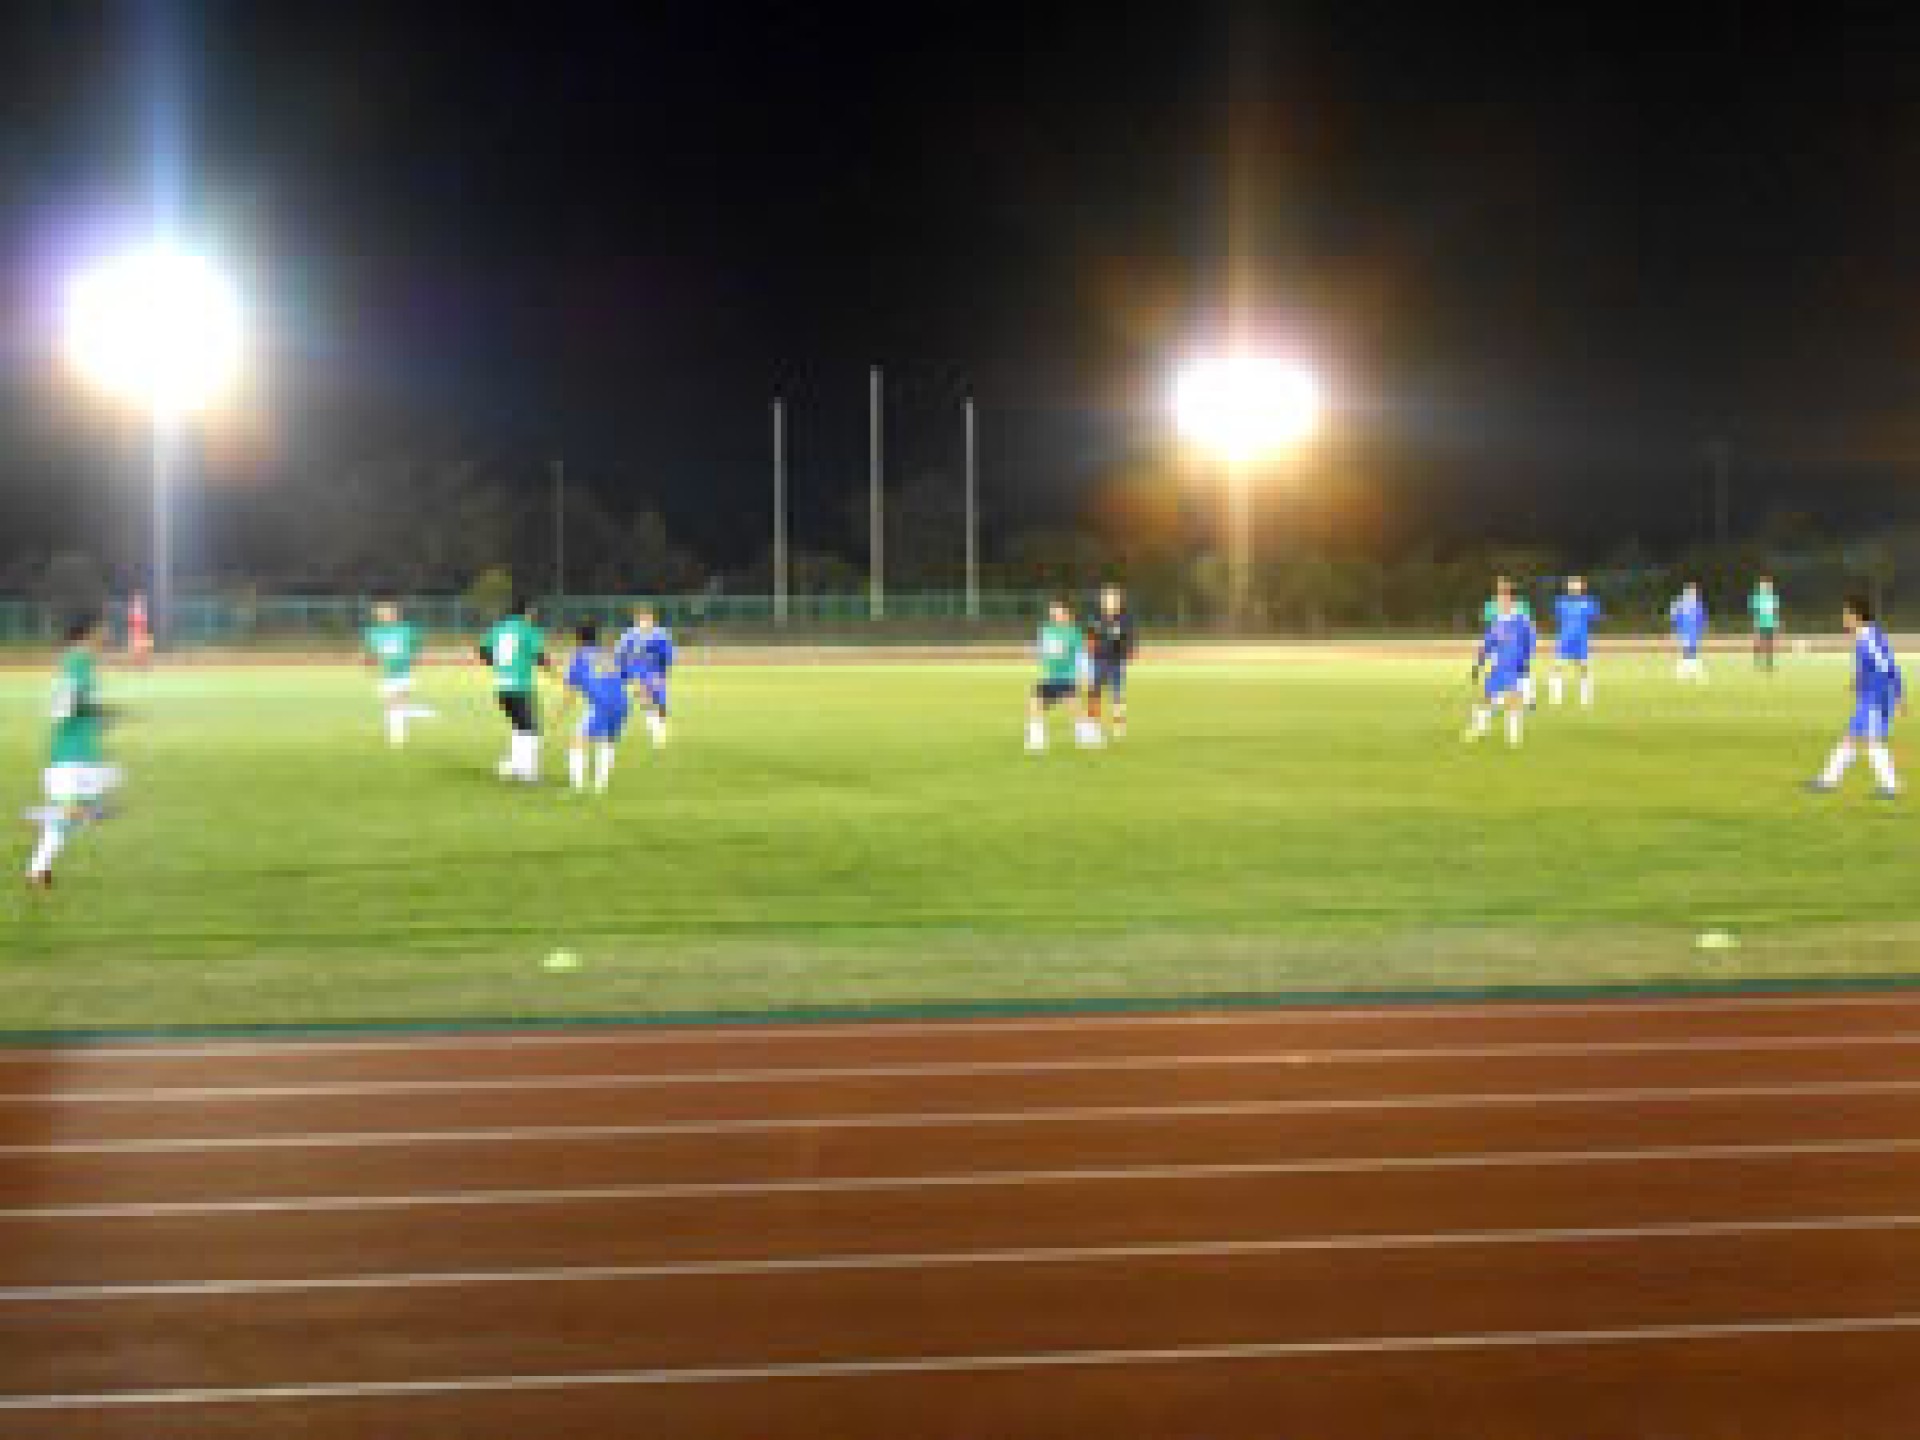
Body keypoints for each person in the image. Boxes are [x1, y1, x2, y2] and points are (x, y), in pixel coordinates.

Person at [25, 615, 121, 889]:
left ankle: (40, 866)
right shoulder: (77, 663)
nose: (105, 637)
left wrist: (99, 718)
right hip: (70, 759)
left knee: (82, 810)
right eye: (101, 632)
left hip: (79, 757)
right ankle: (39, 861)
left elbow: (71, 706)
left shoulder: (80, 664)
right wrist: (97, 712)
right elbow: (64, 707)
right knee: (77, 811)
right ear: (86, 635)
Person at [1807, 595, 1904, 798]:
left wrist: (1896, 697)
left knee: (1871, 741)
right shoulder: (1865, 637)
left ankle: (1890, 786)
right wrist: (1858, 680)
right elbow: (1873, 665)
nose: (1843, 618)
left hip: (1876, 697)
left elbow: (1888, 667)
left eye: (1846, 614)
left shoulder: (1869, 638)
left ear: (1857, 616)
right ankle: (1828, 781)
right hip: (1870, 696)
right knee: (1850, 738)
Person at [478, 598, 549, 782]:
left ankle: (517, 767)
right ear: (527, 612)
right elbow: (540, 657)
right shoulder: (528, 629)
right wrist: (547, 665)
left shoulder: (498, 628)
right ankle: (529, 773)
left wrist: (500, 665)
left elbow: (484, 653)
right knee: (529, 728)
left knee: (519, 725)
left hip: (501, 686)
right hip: (520, 685)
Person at [560, 623, 630, 794]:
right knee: (607, 742)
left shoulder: (577, 658)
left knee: (576, 741)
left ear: (578, 639)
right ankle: (600, 786)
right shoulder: (608, 655)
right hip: (621, 703)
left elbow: (570, 693)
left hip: (601, 704)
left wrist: (558, 714)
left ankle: (577, 787)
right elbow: (621, 678)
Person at [1465, 593, 1536, 747]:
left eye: (1506, 602)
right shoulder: (1496, 623)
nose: (1503, 605)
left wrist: (1526, 662)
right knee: (1486, 697)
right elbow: (1487, 646)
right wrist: (1478, 665)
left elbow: (1530, 642)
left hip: (1514, 665)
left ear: (1512, 603)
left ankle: (1514, 737)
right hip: (1498, 666)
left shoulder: (1521, 622)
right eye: (1500, 603)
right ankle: (1479, 729)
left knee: (1513, 699)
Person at [362, 601, 436, 747]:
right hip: (385, 674)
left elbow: (417, 647)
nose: (383, 616)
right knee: (392, 706)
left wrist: (412, 660)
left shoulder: (406, 630)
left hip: (403, 673)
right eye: (380, 613)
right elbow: (371, 654)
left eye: (386, 612)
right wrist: (370, 665)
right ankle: (421, 712)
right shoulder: (373, 633)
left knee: (395, 704)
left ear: (394, 613)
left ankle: (397, 740)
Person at [1027, 598, 1097, 751]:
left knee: (1073, 705)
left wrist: (1086, 674)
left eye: (1059, 611)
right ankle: (1036, 736)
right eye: (1053, 612)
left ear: (1067, 614)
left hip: (1068, 676)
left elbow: (1082, 655)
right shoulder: (1047, 630)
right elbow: (1042, 651)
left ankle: (1086, 735)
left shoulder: (1074, 632)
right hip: (1050, 676)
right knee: (1036, 701)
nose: (1056, 615)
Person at [615, 605, 675, 748]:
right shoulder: (628, 636)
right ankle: (656, 733)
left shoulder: (660, 635)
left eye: (647, 619)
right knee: (645, 698)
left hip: (655, 673)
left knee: (660, 704)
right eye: (641, 619)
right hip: (637, 674)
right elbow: (621, 655)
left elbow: (668, 655)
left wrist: (663, 673)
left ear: (653, 620)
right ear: (637, 620)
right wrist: (625, 674)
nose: (644, 622)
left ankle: (660, 727)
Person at [1084, 585, 1138, 740]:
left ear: (1118, 601)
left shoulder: (1125, 618)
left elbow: (1131, 638)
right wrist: (1089, 650)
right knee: (1094, 693)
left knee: (1117, 694)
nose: (1110, 602)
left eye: (1113, 599)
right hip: (1098, 660)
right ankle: (1093, 727)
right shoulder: (1096, 617)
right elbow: (1090, 637)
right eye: (1107, 599)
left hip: (1117, 660)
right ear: (1102, 601)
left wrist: (1129, 651)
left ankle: (1118, 726)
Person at [1548, 575, 1603, 707]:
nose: (1574, 587)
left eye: (1577, 585)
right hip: (1564, 640)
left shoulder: (1590, 603)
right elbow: (1557, 619)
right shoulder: (1560, 603)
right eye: (1571, 585)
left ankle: (1585, 698)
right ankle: (1557, 698)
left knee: (1584, 668)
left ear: (1582, 587)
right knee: (1557, 667)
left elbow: (1595, 619)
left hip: (1581, 641)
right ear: (1568, 587)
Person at [1482, 578, 1537, 705]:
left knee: (1522, 670)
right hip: (1499, 644)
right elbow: (1489, 627)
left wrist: (1528, 647)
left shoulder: (1521, 607)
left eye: (1506, 590)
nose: (1503, 593)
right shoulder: (1491, 606)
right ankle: (1495, 696)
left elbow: (1527, 626)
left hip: (1517, 644)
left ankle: (1527, 696)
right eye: (1501, 590)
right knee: (1497, 669)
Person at [1669, 582, 1709, 683]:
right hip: (1684, 632)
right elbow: (1676, 618)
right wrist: (1676, 631)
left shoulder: (1697, 605)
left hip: (1694, 633)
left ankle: (1694, 672)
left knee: (1693, 652)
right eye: (1692, 592)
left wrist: (1702, 630)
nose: (1693, 593)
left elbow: (1701, 620)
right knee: (1685, 652)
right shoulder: (1681, 605)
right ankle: (1684, 673)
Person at [1750, 576, 1782, 673]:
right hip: (1760, 623)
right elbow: (1755, 611)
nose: (1766, 586)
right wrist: (1756, 623)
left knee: (1769, 644)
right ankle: (1757, 661)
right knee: (1759, 643)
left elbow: (1775, 611)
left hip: (1770, 623)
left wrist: (1776, 623)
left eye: (1768, 585)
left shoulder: (1772, 597)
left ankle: (1769, 663)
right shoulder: (1757, 597)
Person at [125, 592, 151, 668]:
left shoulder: (142, 610)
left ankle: (142, 661)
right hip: (135, 631)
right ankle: (137, 661)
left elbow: (143, 622)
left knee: (141, 647)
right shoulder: (133, 610)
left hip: (140, 631)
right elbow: (131, 621)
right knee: (136, 647)